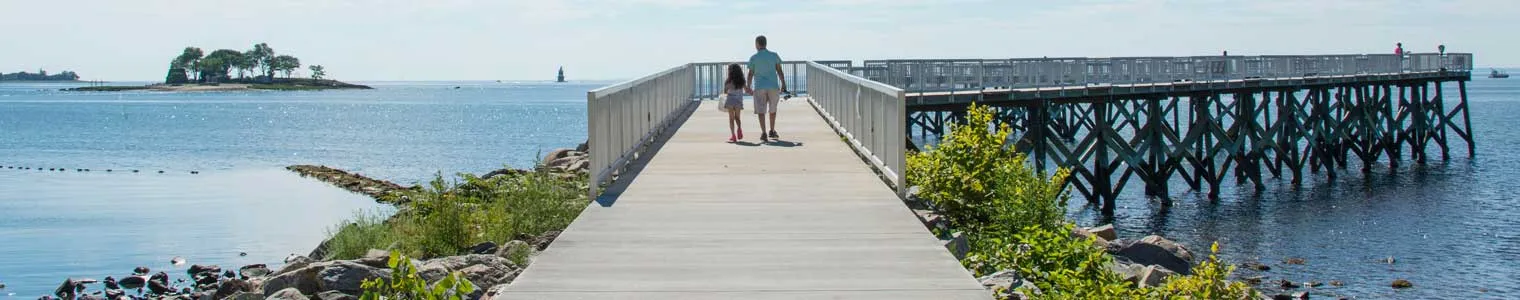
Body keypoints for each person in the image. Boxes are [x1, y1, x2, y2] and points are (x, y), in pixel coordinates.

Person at [745, 35, 785, 142]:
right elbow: (779, 71)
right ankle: (772, 130)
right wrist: (783, 84)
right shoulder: (774, 55)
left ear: (757, 44)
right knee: (773, 109)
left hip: (759, 87)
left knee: (761, 110)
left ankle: (763, 132)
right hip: (773, 86)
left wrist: (748, 86)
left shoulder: (754, 58)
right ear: (765, 43)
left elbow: (750, 74)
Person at [721, 63, 747, 142]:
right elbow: (746, 90)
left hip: (730, 101)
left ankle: (733, 135)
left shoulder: (728, 81)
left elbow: (725, 92)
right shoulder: (742, 81)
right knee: (737, 118)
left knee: (731, 119)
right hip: (738, 101)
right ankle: (739, 129)